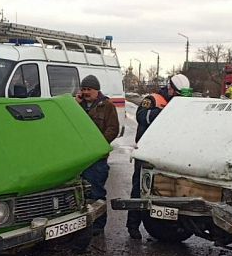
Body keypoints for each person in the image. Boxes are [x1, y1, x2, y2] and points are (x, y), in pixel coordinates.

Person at [127, 74, 190, 240]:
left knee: (166, 189)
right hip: (147, 153)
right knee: (139, 188)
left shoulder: (182, 102)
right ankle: (133, 225)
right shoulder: (153, 100)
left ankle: (165, 226)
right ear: (170, 88)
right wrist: (164, 112)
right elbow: (142, 116)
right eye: (177, 94)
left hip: (168, 154)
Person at [75, 75, 119, 235]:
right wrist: (75, 104)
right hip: (81, 158)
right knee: (81, 193)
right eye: (83, 89)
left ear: (97, 90)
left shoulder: (106, 106)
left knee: (96, 192)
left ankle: (98, 226)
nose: (86, 92)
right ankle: (82, 224)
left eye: (89, 89)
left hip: (98, 158)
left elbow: (113, 128)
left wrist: (98, 146)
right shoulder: (77, 106)